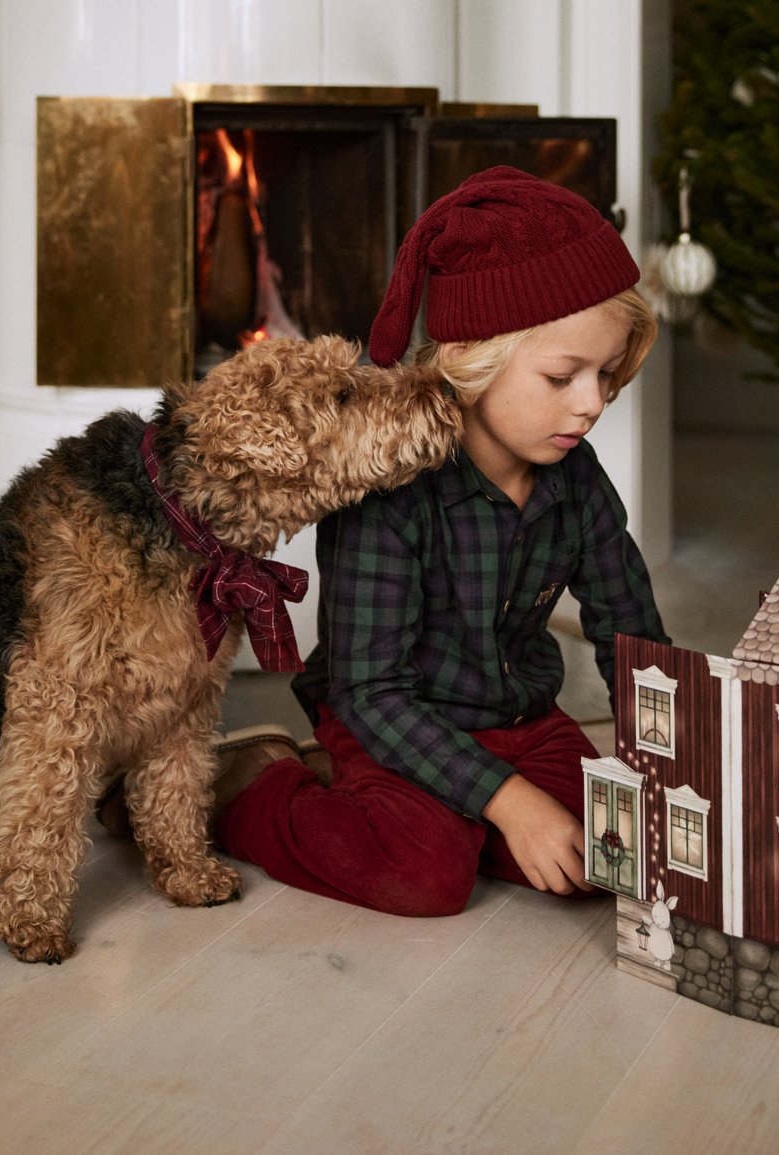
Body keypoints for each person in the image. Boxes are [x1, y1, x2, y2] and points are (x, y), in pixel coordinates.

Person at [209, 166, 665, 916]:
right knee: (424, 875)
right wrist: (511, 802)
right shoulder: (389, 493)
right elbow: (369, 689)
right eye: (562, 375)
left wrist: (670, 759)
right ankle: (248, 787)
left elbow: (632, 631)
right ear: (472, 360)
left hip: (520, 720)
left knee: (610, 856)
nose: (591, 403)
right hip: (389, 717)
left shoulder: (576, 479)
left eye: (606, 374)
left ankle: (455, 811)